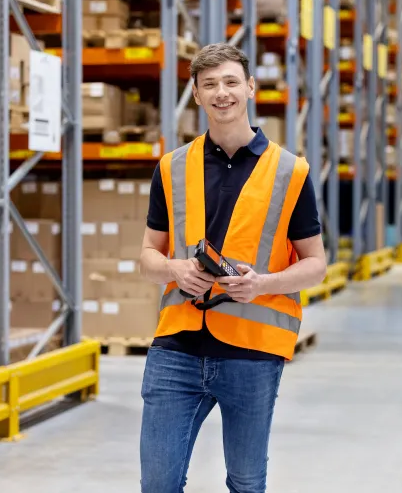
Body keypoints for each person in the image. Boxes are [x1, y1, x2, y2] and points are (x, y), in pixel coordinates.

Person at [137, 42, 327, 493]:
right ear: (196, 94)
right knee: (158, 483)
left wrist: (264, 284)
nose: (221, 92)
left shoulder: (290, 171)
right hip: (176, 347)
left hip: (253, 351)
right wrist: (176, 270)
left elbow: (317, 264)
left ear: (250, 87)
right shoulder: (171, 167)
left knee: (245, 481)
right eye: (209, 85)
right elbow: (147, 257)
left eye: (230, 82)